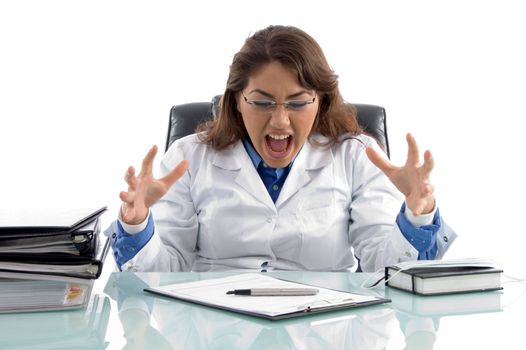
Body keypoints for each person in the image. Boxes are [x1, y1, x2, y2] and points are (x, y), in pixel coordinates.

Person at [107, 25, 456, 273]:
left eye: (297, 103)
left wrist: (417, 213)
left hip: (323, 326)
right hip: (217, 327)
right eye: (261, 103)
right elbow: (163, 272)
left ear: (320, 101)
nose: (279, 121)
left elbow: (385, 269)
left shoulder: (356, 156)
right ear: (237, 102)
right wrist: (137, 224)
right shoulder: (188, 158)